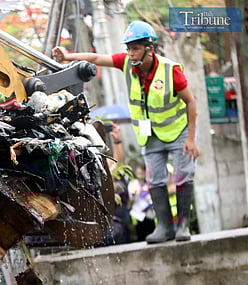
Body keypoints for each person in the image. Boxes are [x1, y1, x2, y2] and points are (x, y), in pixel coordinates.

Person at [52, 21, 200, 243]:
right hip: (150, 136)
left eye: (136, 48)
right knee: (154, 180)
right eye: (128, 48)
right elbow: (96, 58)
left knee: (181, 177)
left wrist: (191, 138)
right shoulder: (127, 64)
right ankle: (165, 229)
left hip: (177, 131)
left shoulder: (171, 70)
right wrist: (67, 56)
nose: (130, 53)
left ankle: (183, 227)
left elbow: (191, 102)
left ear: (149, 48)